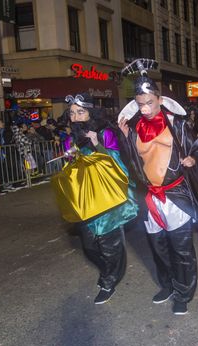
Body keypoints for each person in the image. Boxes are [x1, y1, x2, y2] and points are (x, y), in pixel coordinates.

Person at [118, 74, 198, 315]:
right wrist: (123, 136)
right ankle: (168, 285)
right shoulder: (132, 128)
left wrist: (193, 158)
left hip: (176, 194)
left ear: (160, 100)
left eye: (150, 102)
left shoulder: (178, 124)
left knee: (181, 248)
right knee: (158, 246)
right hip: (150, 197)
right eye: (141, 103)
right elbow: (131, 162)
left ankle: (183, 292)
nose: (146, 108)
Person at [62, 93, 138, 304]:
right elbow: (70, 171)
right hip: (85, 200)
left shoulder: (104, 134)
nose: (76, 117)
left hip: (107, 199)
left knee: (110, 246)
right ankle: (108, 271)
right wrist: (70, 158)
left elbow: (119, 166)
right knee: (89, 247)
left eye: (81, 112)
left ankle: (109, 280)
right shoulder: (70, 138)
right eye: (72, 113)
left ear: (90, 113)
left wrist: (98, 145)